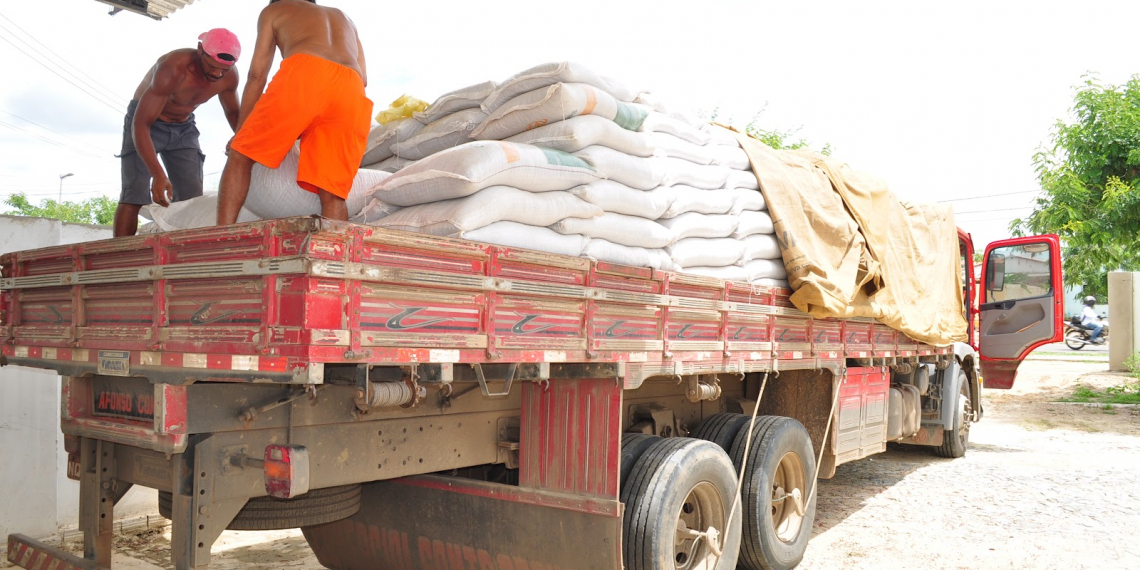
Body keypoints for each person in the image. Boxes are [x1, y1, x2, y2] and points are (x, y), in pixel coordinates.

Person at [217, 0, 372, 224]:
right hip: (351, 87)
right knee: (331, 190)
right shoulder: (344, 17)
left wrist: (241, 131)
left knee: (240, 155)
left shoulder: (274, 10)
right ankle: (335, 253)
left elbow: (256, 76)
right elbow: (364, 79)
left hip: (305, 72)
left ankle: (222, 236)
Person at [115, 29, 242, 237]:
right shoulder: (173, 68)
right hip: (147, 123)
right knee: (134, 195)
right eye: (212, 66)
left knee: (191, 200)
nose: (217, 74)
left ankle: (182, 257)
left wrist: (243, 138)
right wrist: (157, 173)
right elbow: (140, 124)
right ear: (200, 49)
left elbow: (233, 112)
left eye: (224, 70)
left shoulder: (230, 78)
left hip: (184, 127)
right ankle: (116, 260)